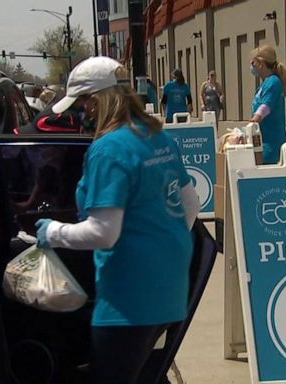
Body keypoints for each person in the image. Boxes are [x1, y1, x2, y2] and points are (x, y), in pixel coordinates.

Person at [34, 56, 201, 384]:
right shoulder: (158, 137)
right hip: (169, 286)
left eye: (83, 105)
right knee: (145, 372)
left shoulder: (108, 149)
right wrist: (160, 246)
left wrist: (52, 231)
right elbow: (190, 204)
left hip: (128, 298)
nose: (82, 113)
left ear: (97, 101)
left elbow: (103, 232)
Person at [249, 45, 286, 164]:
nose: (251, 67)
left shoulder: (273, 82)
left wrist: (255, 119)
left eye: (253, 63)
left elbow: (266, 106)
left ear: (261, 63)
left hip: (271, 146)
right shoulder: (264, 84)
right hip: (262, 142)